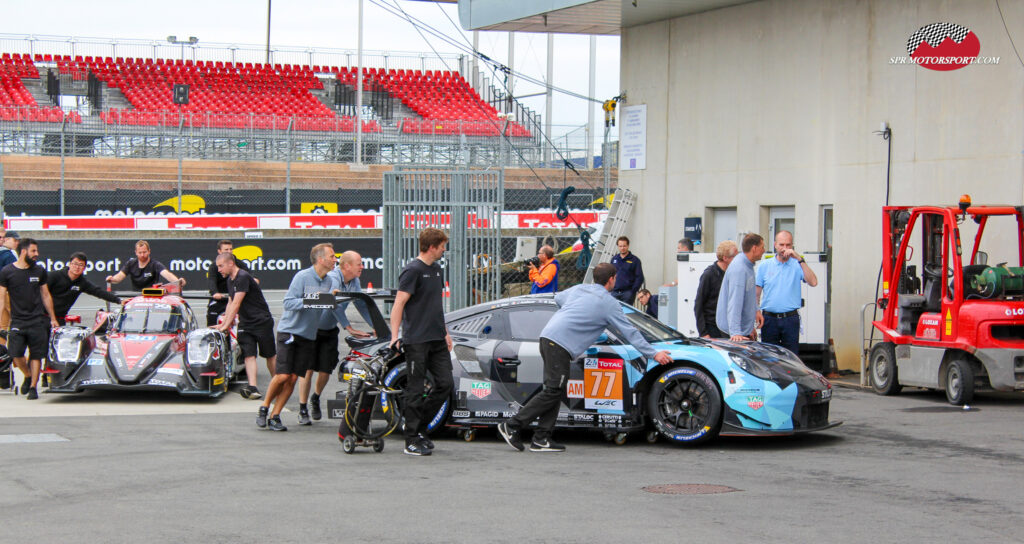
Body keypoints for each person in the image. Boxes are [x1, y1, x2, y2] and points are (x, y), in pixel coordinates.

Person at [498, 263, 672, 453]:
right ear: (611, 279)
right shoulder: (608, 302)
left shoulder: (580, 289)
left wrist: (579, 318)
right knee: (552, 391)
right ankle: (512, 425)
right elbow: (629, 332)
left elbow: (558, 299)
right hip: (559, 345)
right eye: (615, 277)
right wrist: (654, 353)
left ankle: (541, 438)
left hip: (549, 337)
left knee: (554, 390)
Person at [256, 243, 336, 431]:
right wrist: (314, 300)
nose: (335, 260)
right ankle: (264, 407)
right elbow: (289, 303)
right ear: (321, 259)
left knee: (292, 378)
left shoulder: (329, 282)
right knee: (283, 375)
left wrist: (331, 301)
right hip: (290, 332)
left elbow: (319, 306)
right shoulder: (302, 276)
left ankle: (275, 416)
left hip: (308, 336)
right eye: (332, 256)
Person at [389, 228, 454, 456]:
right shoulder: (412, 270)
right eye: (442, 246)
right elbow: (399, 304)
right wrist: (394, 336)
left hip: (437, 338)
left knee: (445, 384)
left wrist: (445, 332)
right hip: (417, 340)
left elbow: (435, 306)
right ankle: (411, 439)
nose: (445, 249)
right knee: (415, 389)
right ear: (432, 246)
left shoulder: (436, 270)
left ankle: (419, 428)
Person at [298, 250, 374, 423]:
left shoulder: (354, 280)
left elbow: (361, 303)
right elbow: (334, 304)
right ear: (347, 266)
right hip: (313, 329)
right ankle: (303, 408)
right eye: (359, 263)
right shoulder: (333, 278)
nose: (362, 266)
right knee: (308, 369)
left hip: (329, 329)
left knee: (325, 370)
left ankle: (315, 398)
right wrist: (348, 327)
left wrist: (375, 326)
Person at [0, 238, 60, 399]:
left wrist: (53, 318)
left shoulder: (39, 271)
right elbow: (1, 299)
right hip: (17, 320)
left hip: (37, 320)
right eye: (33, 251)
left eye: (37, 251)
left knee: (36, 355)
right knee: (15, 353)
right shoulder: (7, 271)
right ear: (24, 251)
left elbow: (46, 295)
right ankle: (27, 375)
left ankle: (33, 387)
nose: (37, 254)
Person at [213, 252, 275, 400]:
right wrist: (223, 324)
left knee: (269, 355)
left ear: (230, 263)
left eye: (221, 266)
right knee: (249, 354)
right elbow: (230, 302)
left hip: (261, 320)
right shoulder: (230, 280)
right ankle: (252, 387)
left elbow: (237, 303)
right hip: (246, 323)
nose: (219, 270)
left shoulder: (242, 277)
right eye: (217, 267)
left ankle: (277, 382)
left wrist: (226, 325)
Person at [756, 230, 818, 354]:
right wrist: (756, 311)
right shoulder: (764, 266)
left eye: (788, 245)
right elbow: (756, 294)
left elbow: (813, 282)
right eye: (781, 245)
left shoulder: (797, 264)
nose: (785, 248)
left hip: (790, 318)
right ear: (775, 245)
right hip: (769, 318)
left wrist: (800, 259)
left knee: (791, 358)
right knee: (769, 357)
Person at [47, 252, 124, 325]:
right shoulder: (54, 276)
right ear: (70, 264)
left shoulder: (82, 283)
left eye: (81, 265)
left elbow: (99, 292)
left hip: (60, 318)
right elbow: (42, 293)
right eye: (75, 264)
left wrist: (119, 300)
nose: (77, 267)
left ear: (84, 268)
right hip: (43, 316)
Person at [716, 233, 766, 343]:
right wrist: (736, 333)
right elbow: (735, 302)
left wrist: (755, 313)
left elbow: (749, 294)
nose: (764, 250)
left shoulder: (748, 265)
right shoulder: (739, 269)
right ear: (754, 248)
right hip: (733, 333)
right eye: (762, 247)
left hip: (742, 330)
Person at [693, 240, 739, 339]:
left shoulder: (733, 273)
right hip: (712, 327)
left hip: (729, 326)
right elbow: (699, 304)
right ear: (725, 258)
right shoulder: (709, 274)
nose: (738, 259)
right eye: (735, 256)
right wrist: (703, 332)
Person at [206, 239, 253, 327]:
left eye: (230, 249)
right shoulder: (213, 266)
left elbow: (252, 278)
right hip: (221, 299)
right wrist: (215, 293)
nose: (229, 252)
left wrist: (253, 281)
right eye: (226, 250)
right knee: (212, 315)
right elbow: (211, 281)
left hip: (236, 298)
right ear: (219, 251)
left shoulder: (239, 265)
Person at [106, 240, 184, 290]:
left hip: (152, 296)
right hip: (136, 297)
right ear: (136, 252)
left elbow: (167, 274)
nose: (142, 255)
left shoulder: (155, 264)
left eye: (144, 252)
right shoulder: (130, 263)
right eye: (140, 253)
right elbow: (119, 277)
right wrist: (112, 279)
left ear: (149, 251)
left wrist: (178, 282)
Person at [610, 236, 644, 304]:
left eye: (624, 246)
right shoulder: (614, 259)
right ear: (618, 246)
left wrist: (633, 291)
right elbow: (610, 274)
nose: (622, 248)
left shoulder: (635, 260)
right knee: (614, 313)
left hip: (627, 293)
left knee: (626, 314)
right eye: (620, 246)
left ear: (628, 246)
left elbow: (639, 277)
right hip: (614, 293)